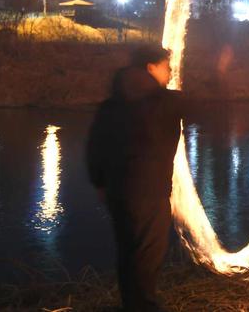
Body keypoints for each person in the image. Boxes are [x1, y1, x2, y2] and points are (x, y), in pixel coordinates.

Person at [86, 46, 190, 311]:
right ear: (150, 68)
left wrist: (99, 182)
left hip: (117, 193)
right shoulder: (166, 102)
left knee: (128, 253)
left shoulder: (111, 104)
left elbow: (95, 145)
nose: (169, 72)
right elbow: (211, 109)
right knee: (148, 255)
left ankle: (132, 304)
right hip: (150, 195)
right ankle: (145, 306)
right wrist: (222, 71)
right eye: (166, 67)